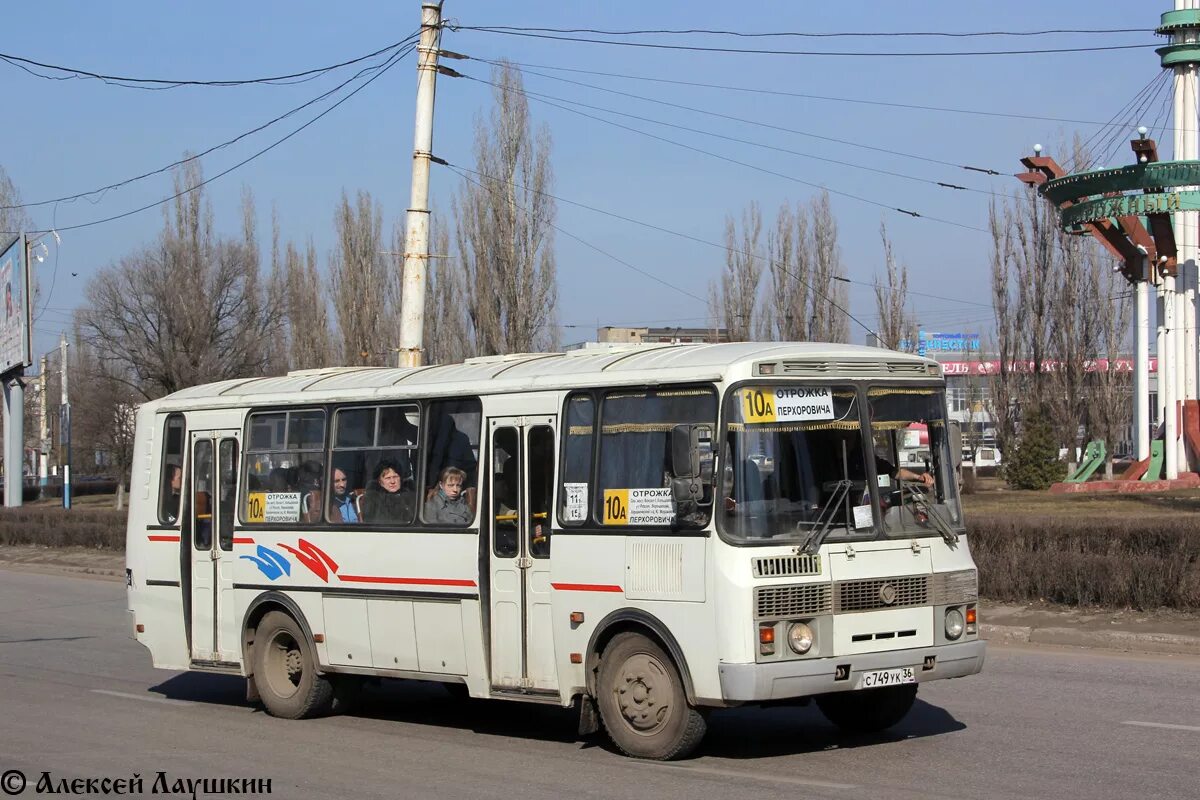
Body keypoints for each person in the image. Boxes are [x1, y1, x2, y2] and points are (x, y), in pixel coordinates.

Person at [361, 458, 414, 524]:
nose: (392, 481)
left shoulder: (411, 494)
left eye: (395, 477)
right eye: (388, 478)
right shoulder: (374, 498)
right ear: (380, 481)